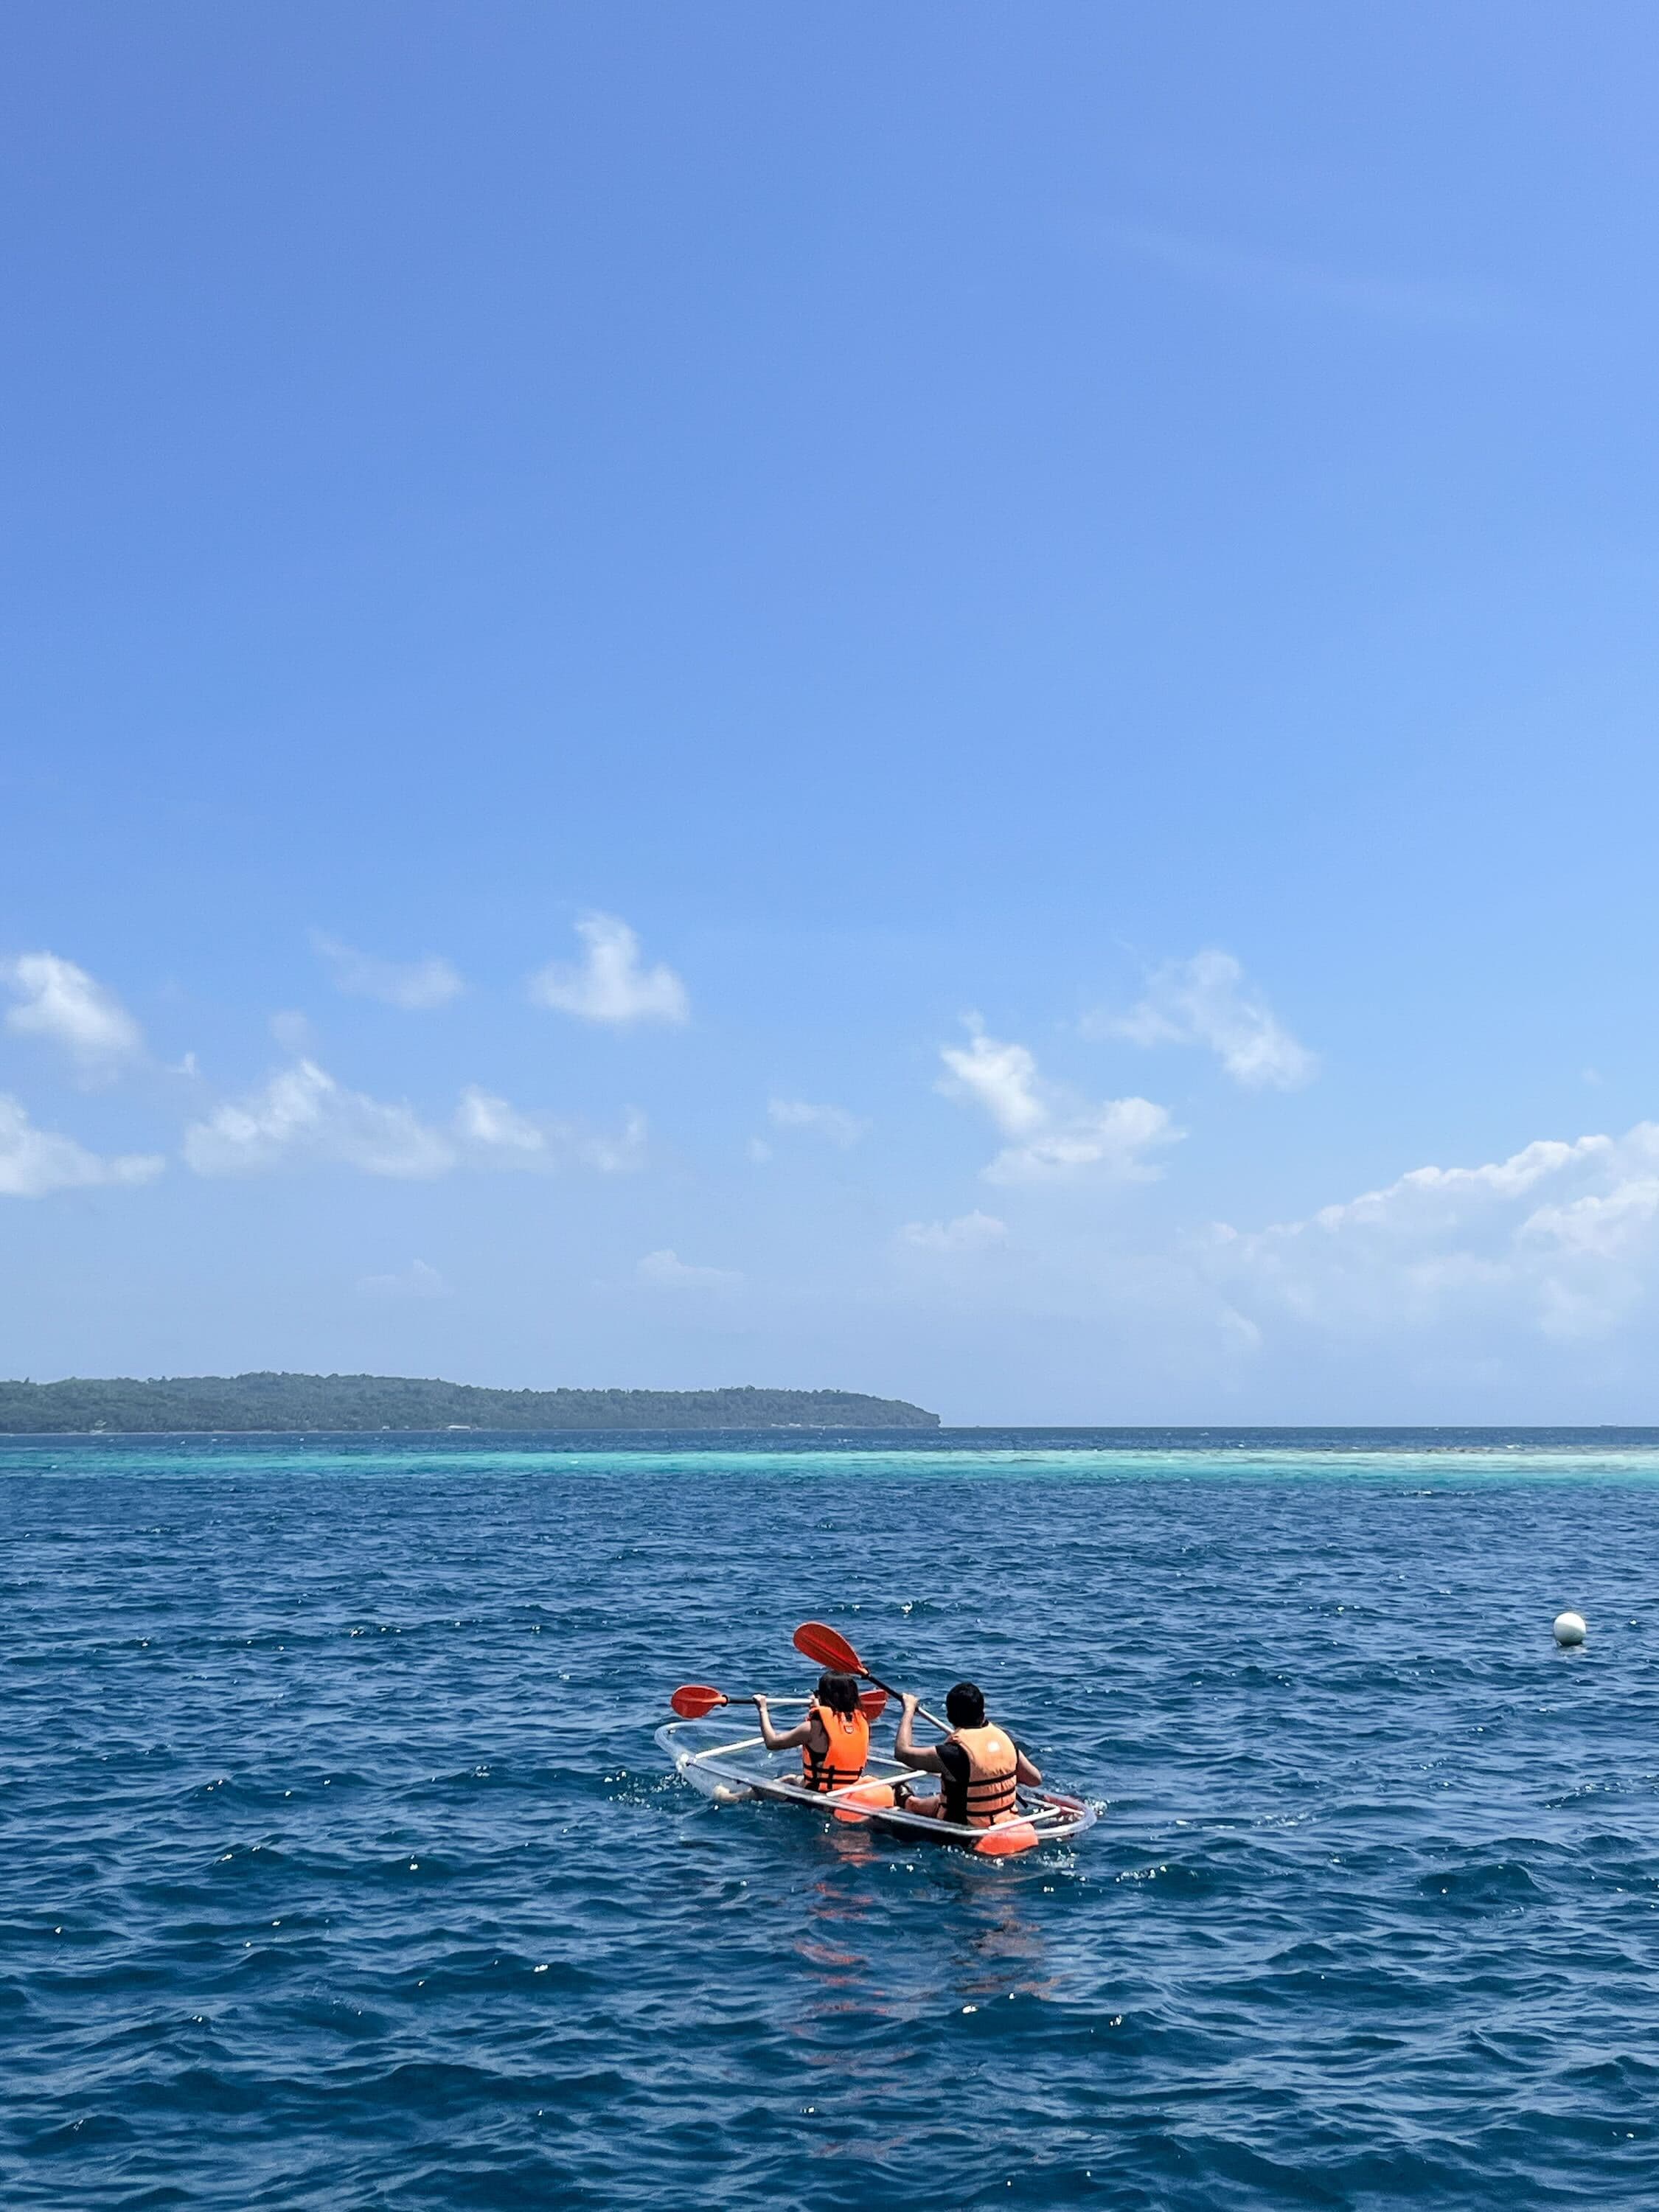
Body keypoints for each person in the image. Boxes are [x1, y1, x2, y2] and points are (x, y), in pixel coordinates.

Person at [891, 1680, 1040, 1826]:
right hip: (1004, 1821)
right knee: (943, 1798)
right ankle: (911, 1802)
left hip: (967, 1832)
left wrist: (909, 1710)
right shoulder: (1005, 1741)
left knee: (880, 1824)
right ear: (982, 1713)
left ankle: (907, 1802)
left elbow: (902, 1752)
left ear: (950, 1718)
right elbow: (1035, 1780)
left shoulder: (954, 1754)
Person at [752, 1672, 870, 1794]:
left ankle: (734, 1797)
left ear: (824, 1696)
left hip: (818, 1795)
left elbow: (772, 1743)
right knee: (790, 1779)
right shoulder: (860, 1724)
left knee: (760, 1789)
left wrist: (763, 1709)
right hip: (847, 1792)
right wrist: (819, 1707)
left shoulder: (813, 1728)